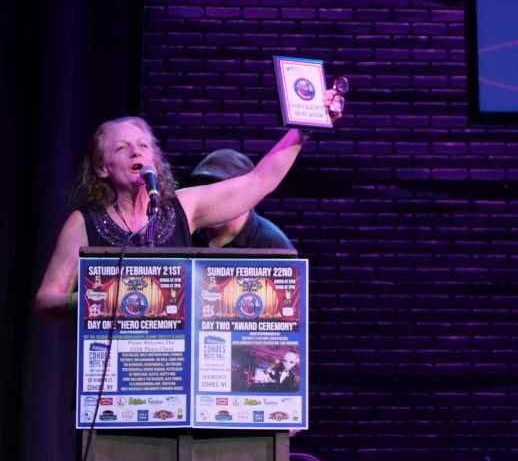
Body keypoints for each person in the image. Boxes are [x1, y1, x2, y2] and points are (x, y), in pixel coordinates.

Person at [35, 95, 335, 316]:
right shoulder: (85, 222)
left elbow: (258, 181)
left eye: (143, 146)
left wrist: (304, 128)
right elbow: (46, 299)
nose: (135, 152)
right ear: (103, 168)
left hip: (174, 364)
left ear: (154, 161)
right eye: (122, 148)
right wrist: (97, 300)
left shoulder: (181, 207)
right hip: (111, 366)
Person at [188, 148, 294, 249]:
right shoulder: (188, 233)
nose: (213, 199)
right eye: (207, 189)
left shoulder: (271, 243)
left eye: (224, 190)